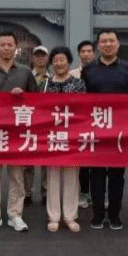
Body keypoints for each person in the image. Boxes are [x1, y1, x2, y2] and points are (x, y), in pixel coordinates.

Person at [0, 31, 38, 233]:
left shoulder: (25, 72)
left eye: (10, 44)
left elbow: (37, 100)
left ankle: (15, 214)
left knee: (17, 175)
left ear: (16, 48)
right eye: (2, 44)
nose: (6, 48)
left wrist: (24, 95)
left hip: (17, 132)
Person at [81, 29, 128, 230]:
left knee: (117, 175)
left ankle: (114, 215)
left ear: (117, 44)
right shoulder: (88, 70)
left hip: (120, 131)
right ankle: (97, 215)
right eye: (104, 41)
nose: (107, 44)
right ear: (98, 45)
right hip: (95, 129)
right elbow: (81, 99)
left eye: (111, 41)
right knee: (96, 174)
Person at [42, 46, 85, 233]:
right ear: (51, 63)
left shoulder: (78, 84)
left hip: (72, 135)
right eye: (55, 60)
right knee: (52, 176)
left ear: (68, 61)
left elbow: (84, 109)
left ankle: (70, 216)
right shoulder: (45, 84)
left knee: (71, 176)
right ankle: (53, 216)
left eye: (62, 59)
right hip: (51, 135)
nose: (59, 63)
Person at [69, 39, 96, 210]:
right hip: (78, 122)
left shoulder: (101, 72)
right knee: (82, 160)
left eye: (89, 51)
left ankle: (98, 194)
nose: (86, 54)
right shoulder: (72, 74)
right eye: (83, 51)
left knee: (98, 159)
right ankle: (83, 192)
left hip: (97, 121)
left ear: (94, 53)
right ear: (79, 54)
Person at [23, 45, 50, 206]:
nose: (40, 58)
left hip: (47, 123)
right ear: (33, 58)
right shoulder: (26, 76)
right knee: (28, 160)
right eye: (37, 56)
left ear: (47, 58)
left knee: (46, 160)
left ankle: (45, 192)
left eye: (43, 55)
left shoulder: (52, 77)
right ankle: (27, 192)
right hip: (30, 122)